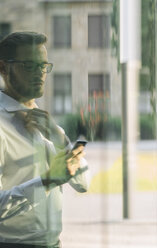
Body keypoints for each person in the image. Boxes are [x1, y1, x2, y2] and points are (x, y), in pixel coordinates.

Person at [0, 31, 89, 247]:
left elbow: (83, 183)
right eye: (29, 66)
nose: (39, 73)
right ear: (3, 68)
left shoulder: (47, 125)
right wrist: (48, 181)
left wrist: (61, 140)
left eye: (43, 66)